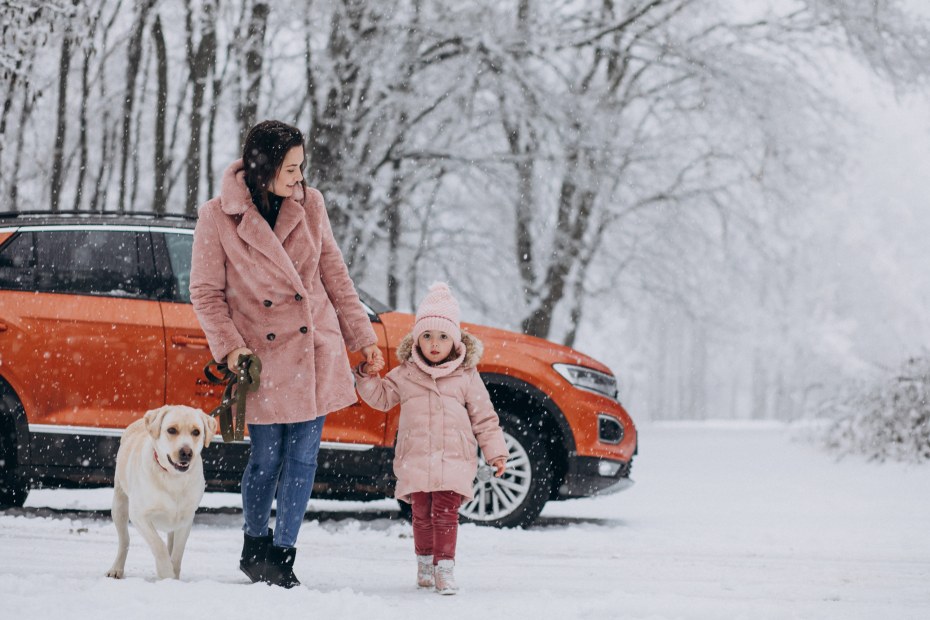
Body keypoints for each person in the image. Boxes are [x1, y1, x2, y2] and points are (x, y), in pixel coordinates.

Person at [189, 119, 382, 588]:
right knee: (266, 459)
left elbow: (335, 276)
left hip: (314, 349)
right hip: (261, 356)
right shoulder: (218, 216)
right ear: (265, 166)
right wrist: (231, 349)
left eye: (301, 167)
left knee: (304, 460)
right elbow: (206, 294)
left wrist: (363, 338)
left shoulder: (311, 205)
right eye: (291, 168)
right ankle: (255, 542)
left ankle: (284, 555)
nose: (299, 177)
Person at [355, 282, 508, 595]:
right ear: (416, 339)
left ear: (454, 341)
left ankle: (445, 568)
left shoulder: (466, 376)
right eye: (426, 336)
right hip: (416, 455)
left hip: (454, 457)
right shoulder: (406, 373)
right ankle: (425, 564)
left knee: (446, 513)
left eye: (442, 337)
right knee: (422, 514)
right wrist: (366, 376)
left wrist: (496, 453)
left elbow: (484, 417)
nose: (434, 344)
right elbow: (382, 398)